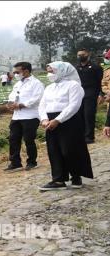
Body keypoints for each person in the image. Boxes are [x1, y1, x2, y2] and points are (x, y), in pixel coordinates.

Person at [38, 61, 93, 191]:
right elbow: (42, 105)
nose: (49, 74)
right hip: (50, 121)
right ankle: (58, 179)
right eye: (48, 72)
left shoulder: (74, 86)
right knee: (54, 149)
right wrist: (44, 119)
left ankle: (76, 176)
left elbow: (74, 105)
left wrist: (58, 120)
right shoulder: (49, 88)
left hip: (69, 120)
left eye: (52, 71)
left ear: (62, 70)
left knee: (70, 149)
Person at [5, 62, 44, 173]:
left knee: (28, 139)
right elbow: (12, 95)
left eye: (17, 72)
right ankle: (15, 163)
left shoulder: (36, 83)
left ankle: (32, 162)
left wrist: (21, 105)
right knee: (13, 139)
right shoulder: (18, 84)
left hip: (30, 116)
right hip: (17, 116)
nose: (15, 74)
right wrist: (10, 104)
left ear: (26, 71)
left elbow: (37, 98)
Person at [76, 48, 104, 144]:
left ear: (87, 55)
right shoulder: (76, 68)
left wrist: (101, 94)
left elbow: (100, 81)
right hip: (79, 94)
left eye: (82, 54)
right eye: (79, 55)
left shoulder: (95, 67)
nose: (80, 57)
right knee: (79, 115)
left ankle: (89, 137)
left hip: (91, 93)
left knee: (89, 115)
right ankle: (81, 135)